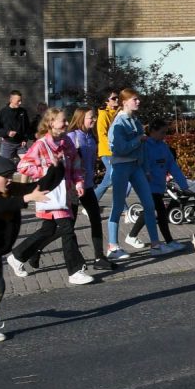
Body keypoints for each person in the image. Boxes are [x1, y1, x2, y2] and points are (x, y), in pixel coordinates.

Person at [5, 108, 92, 285]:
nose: (67, 123)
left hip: (65, 193)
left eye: (67, 120)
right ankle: (75, 271)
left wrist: (79, 183)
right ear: (51, 123)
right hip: (49, 193)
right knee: (67, 228)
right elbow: (23, 166)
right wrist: (45, 169)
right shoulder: (41, 144)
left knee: (48, 230)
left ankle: (17, 256)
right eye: (63, 121)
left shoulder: (67, 141)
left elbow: (75, 163)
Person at [105, 89, 178, 260]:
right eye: (134, 100)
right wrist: (137, 140)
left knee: (149, 205)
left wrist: (145, 169)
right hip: (122, 167)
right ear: (125, 102)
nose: (138, 102)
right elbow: (118, 149)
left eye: (138, 99)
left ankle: (155, 245)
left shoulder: (136, 121)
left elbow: (143, 149)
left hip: (136, 167)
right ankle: (113, 246)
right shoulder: (118, 124)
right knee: (117, 206)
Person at [0, 156, 51, 342]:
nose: (10, 180)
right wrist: (26, 198)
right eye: (5, 176)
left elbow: (39, 186)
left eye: (11, 175)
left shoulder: (7, 189)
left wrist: (58, 166)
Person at [123, 119, 188, 251]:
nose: (164, 135)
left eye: (166, 132)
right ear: (152, 131)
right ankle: (167, 241)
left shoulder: (163, 146)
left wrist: (183, 183)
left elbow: (172, 165)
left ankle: (132, 235)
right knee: (160, 212)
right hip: (147, 185)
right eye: (162, 132)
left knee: (150, 211)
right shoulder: (145, 145)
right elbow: (140, 164)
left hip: (159, 185)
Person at [65, 106, 110, 271]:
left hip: (88, 185)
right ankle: (34, 250)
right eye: (91, 117)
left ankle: (99, 258)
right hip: (74, 187)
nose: (94, 120)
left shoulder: (90, 136)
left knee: (96, 219)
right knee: (68, 226)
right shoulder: (72, 137)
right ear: (81, 118)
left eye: (94, 117)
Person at [93, 89, 120, 200]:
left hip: (117, 151)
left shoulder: (118, 113)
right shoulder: (104, 114)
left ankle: (91, 203)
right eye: (113, 98)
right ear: (106, 101)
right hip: (108, 151)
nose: (117, 99)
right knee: (110, 178)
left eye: (117, 97)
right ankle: (91, 202)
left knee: (115, 178)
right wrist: (111, 148)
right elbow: (102, 134)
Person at [0, 91, 32, 162]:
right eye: (18, 101)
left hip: (21, 144)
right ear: (11, 100)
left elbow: (27, 127)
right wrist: (7, 133)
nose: (20, 103)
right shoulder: (3, 112)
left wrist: (25, 139)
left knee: (27, 163)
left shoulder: (23, 111)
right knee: (5, 166)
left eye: (21, 101)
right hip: (8, 144)